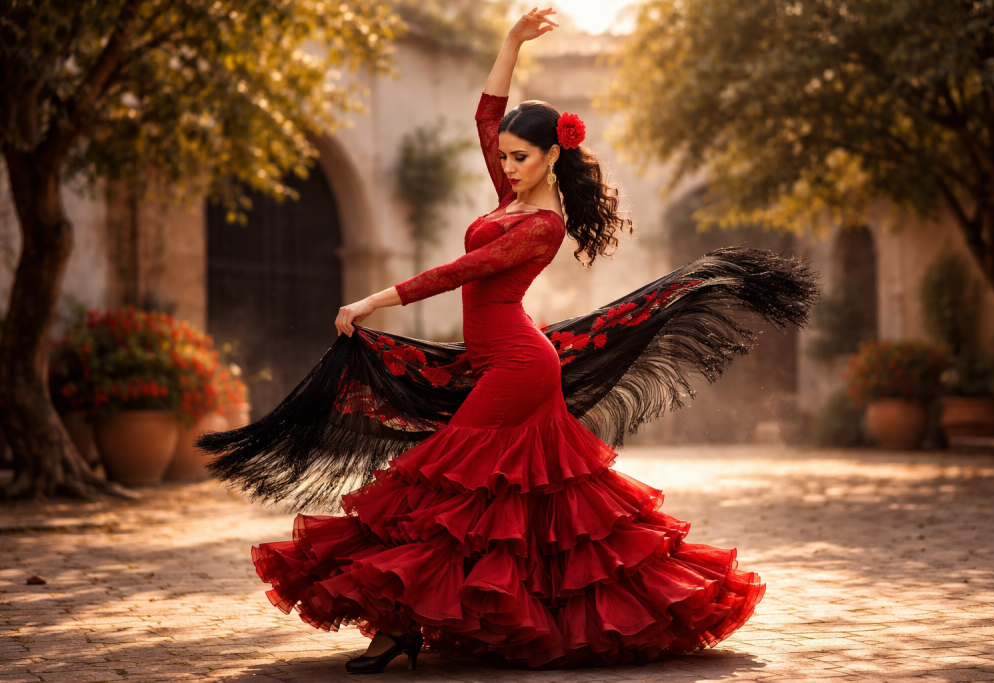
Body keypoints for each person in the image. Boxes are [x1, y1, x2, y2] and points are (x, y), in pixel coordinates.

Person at [229, 8, 783, 674]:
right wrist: (511, 42)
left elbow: (459, 272)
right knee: (536, 505)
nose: (508, 165)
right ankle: (490, 617)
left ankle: (402, 624)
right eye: (505, 159)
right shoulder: (510, 196)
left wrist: (373, 301)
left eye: (521, 158)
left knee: (437, 483)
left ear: (553, 157)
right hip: (497, 358)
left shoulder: (543, 224)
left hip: (520, 366)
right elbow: (487, 117)